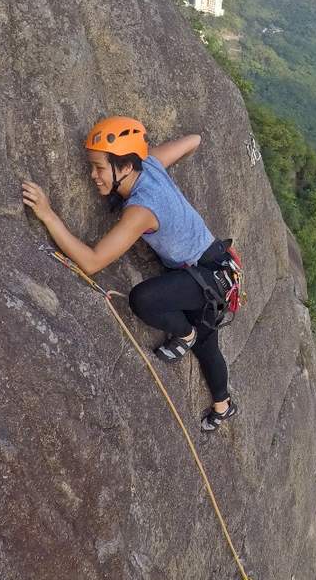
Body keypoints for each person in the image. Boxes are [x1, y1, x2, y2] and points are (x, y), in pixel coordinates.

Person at [21, 116, 239, 431]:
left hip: (204, 278)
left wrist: (48, 215)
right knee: (207, 342)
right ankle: (223, 403)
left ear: (124, 167)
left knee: (144, 300)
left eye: (99, 167)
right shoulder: (148, 164)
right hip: (213, 264)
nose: (93, 176)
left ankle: (187, 340)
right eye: (92, 167)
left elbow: (94, 261)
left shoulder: (141, 210)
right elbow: (194, 140)